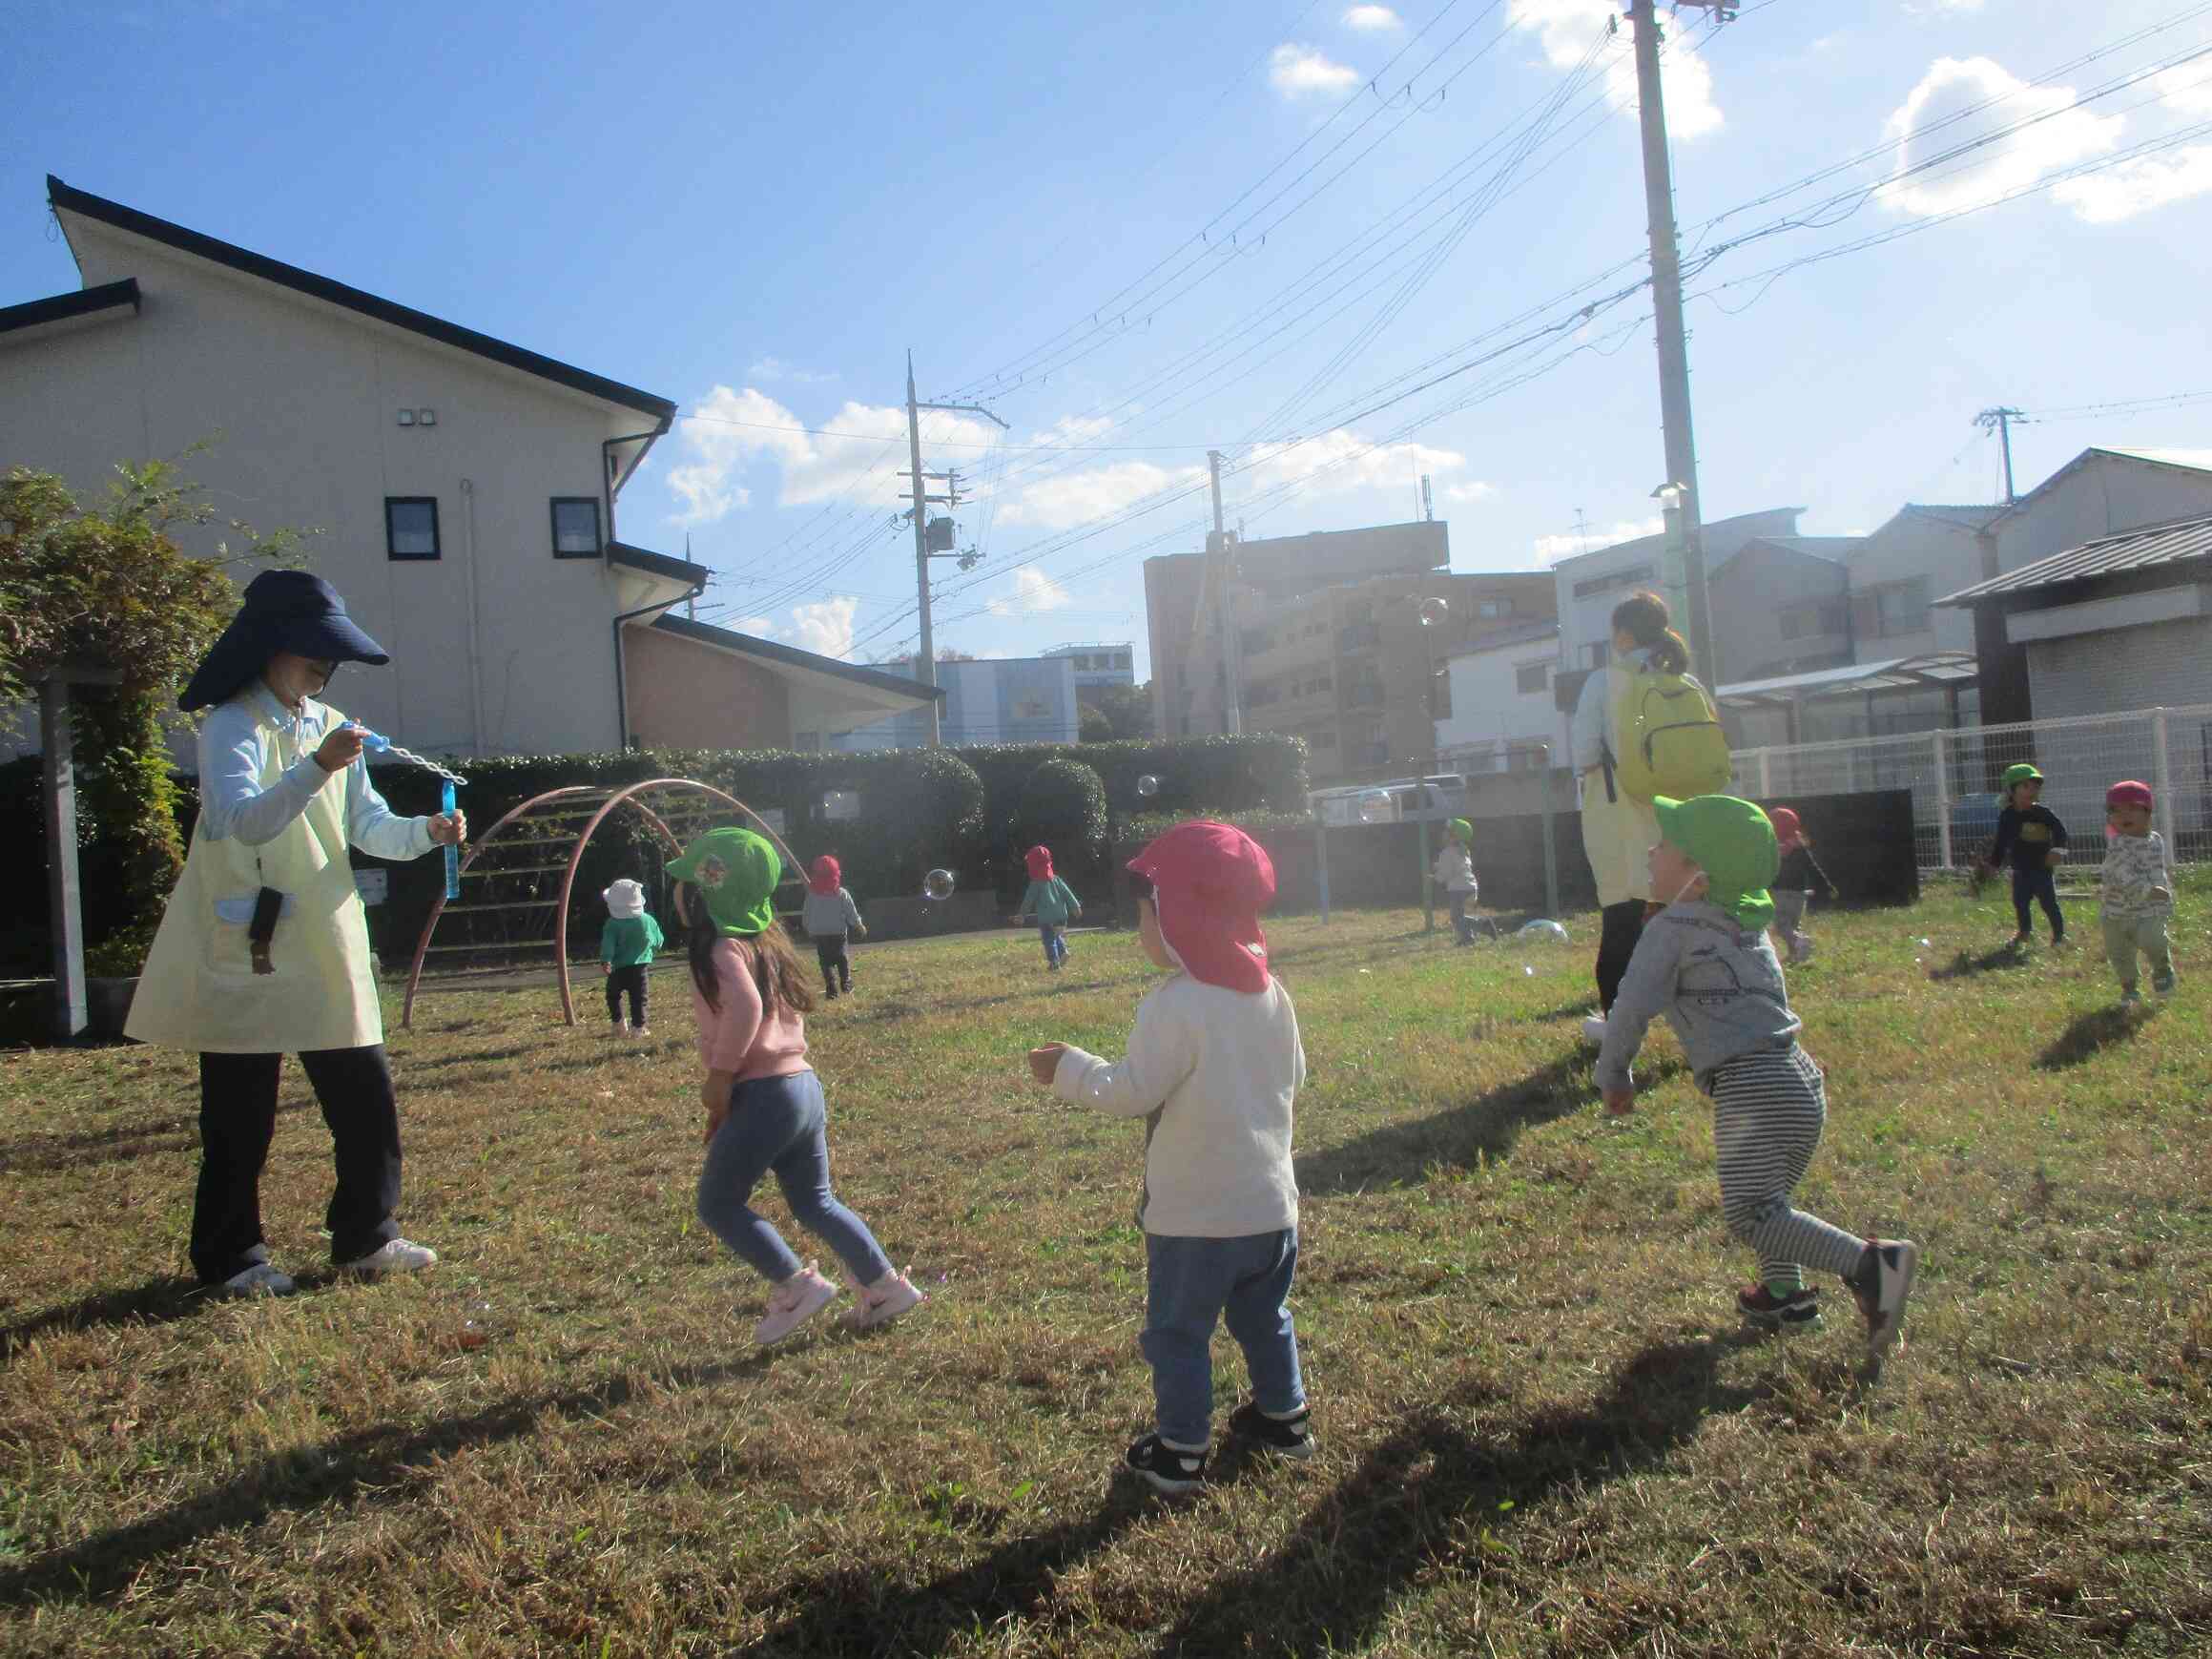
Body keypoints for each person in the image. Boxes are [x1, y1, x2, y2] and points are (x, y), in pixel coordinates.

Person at [126, 570, 463, 1296]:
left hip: (324, 933)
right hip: (247, 936)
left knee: (364, 1097)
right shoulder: (229, 725)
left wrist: (425, 832)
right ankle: (230, 1258)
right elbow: (240, 820)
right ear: (270, 647)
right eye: (312, 654)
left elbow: (365, 825)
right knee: (239, 1112)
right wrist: (316, 765)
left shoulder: (326, 721)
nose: (323, 670)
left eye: (330, 659)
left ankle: (367, 1236)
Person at [1027, 821, 1310, 1494]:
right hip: (1270, 1211)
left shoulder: (1175, 1004)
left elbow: (1131, 1091)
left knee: (1178, 1334)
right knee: (1263, 1316)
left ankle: (1181, 1451)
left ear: (1181, 915)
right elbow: (1293, 1075)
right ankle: (1284, 1417)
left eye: (1146, 916)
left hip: (1194, 1220)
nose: (1140, 931)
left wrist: (1067, 1067)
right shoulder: (1271, 994)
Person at [1595, 795, 1918, 1371]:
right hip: (1798, 1079)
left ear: (1698, 874)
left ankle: (1873, 1266)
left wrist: (1615, 1072)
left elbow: (1629, 1009)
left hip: (1752, 1088)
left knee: (1750, 1214)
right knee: (1772, 1205)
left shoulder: (1671, 930)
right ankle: (1785, 1299)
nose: (1651, 849)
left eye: (1665, 843)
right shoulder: (1748, 925)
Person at [669, 827, 922, 1345]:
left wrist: (719, 1076)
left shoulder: (720, 949)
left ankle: (797, 1286)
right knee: (815, 1201)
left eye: (683, 882)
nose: (673, 891)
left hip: (764, 1095)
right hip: (802, 1088)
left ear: (706, 890)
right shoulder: (767, 945)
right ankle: (884, 1286)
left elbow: (745, 1009)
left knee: (719, 1204)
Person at [1571, 592, 1697, 1044]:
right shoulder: (1685, 681)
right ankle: (1700, 1018)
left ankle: (1618, 1027)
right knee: (1686, 916)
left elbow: (1585, 752)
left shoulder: (1606, 683)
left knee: (1623, 916)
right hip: (1684, 813)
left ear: (1623, 634)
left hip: (1621, 813)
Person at [2100, 780, 2177, 1005]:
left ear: (2148, 812)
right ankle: (2130, 988)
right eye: (2116, 810)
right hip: (2116, 912)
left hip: (2149, 909)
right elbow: (2124, 875)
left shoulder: (2156, 841)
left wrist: (2163, 896)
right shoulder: (2118, 845)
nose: (2125, 815)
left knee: (2154, 940)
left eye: (2132, 808)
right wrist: (2150, 891)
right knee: (2120, 953)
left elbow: (2156, 870)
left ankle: (2162, 968)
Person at [1987, 762, 2068, 947]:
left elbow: (2060, 831)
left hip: (2042, 867)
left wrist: (2058, 850)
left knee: (2048, 903)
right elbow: (2001, 842)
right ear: (2011, 790)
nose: (2032, 791)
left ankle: (2059, 936)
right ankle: (2024, 931)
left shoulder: (2042, 813)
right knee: (2020, 902)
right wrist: (1994, 864)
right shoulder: (2007, 816)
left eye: (2035, 787)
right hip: (2020, 868)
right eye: (2025, 786)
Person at [1766, 807, 1834, 965]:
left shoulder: (1770, 848)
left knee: (1782, 925)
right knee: (1792, 924)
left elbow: (1765, 869)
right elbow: (1813, 867)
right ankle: (1795, 954)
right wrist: (1826, 886)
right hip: (1799, 895)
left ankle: (1800, 941)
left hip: (1778, 893)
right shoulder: (1799, 847)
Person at [599, 878, 664, 1037]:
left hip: (617, 968)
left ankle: (618, 1024)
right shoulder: (648, 920)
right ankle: (639, 1028)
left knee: (613, 995)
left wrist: (606, 959)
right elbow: (658, 940)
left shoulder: (612, 924)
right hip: (640, 968)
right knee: (639, 998)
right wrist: (654, 948)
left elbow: (608, 944)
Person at [800, 855, 866, 1000]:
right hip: (838, 932)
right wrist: (858, 924)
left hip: (819, 933)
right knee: (842, 958)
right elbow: (851, 912)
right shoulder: (842, 893)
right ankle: (846, 983)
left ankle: (831, 989)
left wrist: (807, 927)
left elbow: (807, 913)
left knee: (825, 961)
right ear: (836, 875)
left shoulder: (812, 895)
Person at [1018, 844, 1083, 970]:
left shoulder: (1036, 884)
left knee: (1049, 940)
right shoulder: (1057, 880)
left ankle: (1054, 962)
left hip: (1046, 919)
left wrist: (1022, 914)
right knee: (1056, 935)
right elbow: (1068, 894)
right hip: (1061, 917)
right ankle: (1063, 952)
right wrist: (1076, 907)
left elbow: (1028, 900)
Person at [1430, 818, 1485, 945]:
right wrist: (1439, 866)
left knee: (1456, 917)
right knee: (1463, 915)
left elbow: (1447, 873)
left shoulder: (1446, 852)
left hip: (1458, 889)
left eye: (1447, 832)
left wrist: (1435, 878)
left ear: (1454, 837)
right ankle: (1468, 937)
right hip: (1470, 887)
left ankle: (1480, 927)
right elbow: (1458, 866)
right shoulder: (1464, 850)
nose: (1443, 834)